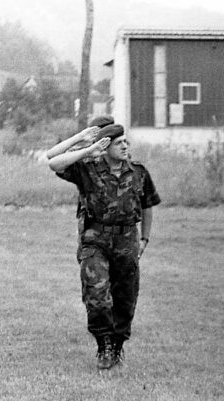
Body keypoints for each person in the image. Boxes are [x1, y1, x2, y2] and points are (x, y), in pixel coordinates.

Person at [48, 125, 161, 369]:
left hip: (127, 239)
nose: (125, 146)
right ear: (105, 146)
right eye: (118, 142)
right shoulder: (87, 170)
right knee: (97, 295)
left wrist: (145, 238)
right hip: (96, 238)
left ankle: (117, 345)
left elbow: (148, 204)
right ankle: (104, 344)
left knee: (126, 296)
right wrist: (87, 147)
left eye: (126, 142)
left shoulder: (139, 172)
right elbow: (54, 162)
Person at [45, 116, 118, 239]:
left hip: (121, 225)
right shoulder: (86, 157)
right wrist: (80, 137)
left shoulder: (119, 156)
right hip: (92, 226)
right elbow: (51, 156)